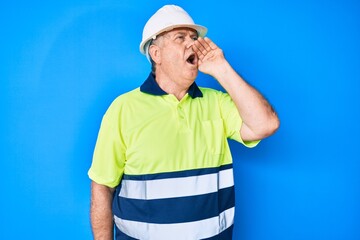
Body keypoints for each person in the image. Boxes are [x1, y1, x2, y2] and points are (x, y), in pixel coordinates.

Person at [88, 4, 279, 240]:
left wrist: (222, 69)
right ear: (156, 54)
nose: (193, 44)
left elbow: (266, 124)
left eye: (194, 37)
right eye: (180, 37)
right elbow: (102, 186)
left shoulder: (216, 103)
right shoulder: (123, 109)